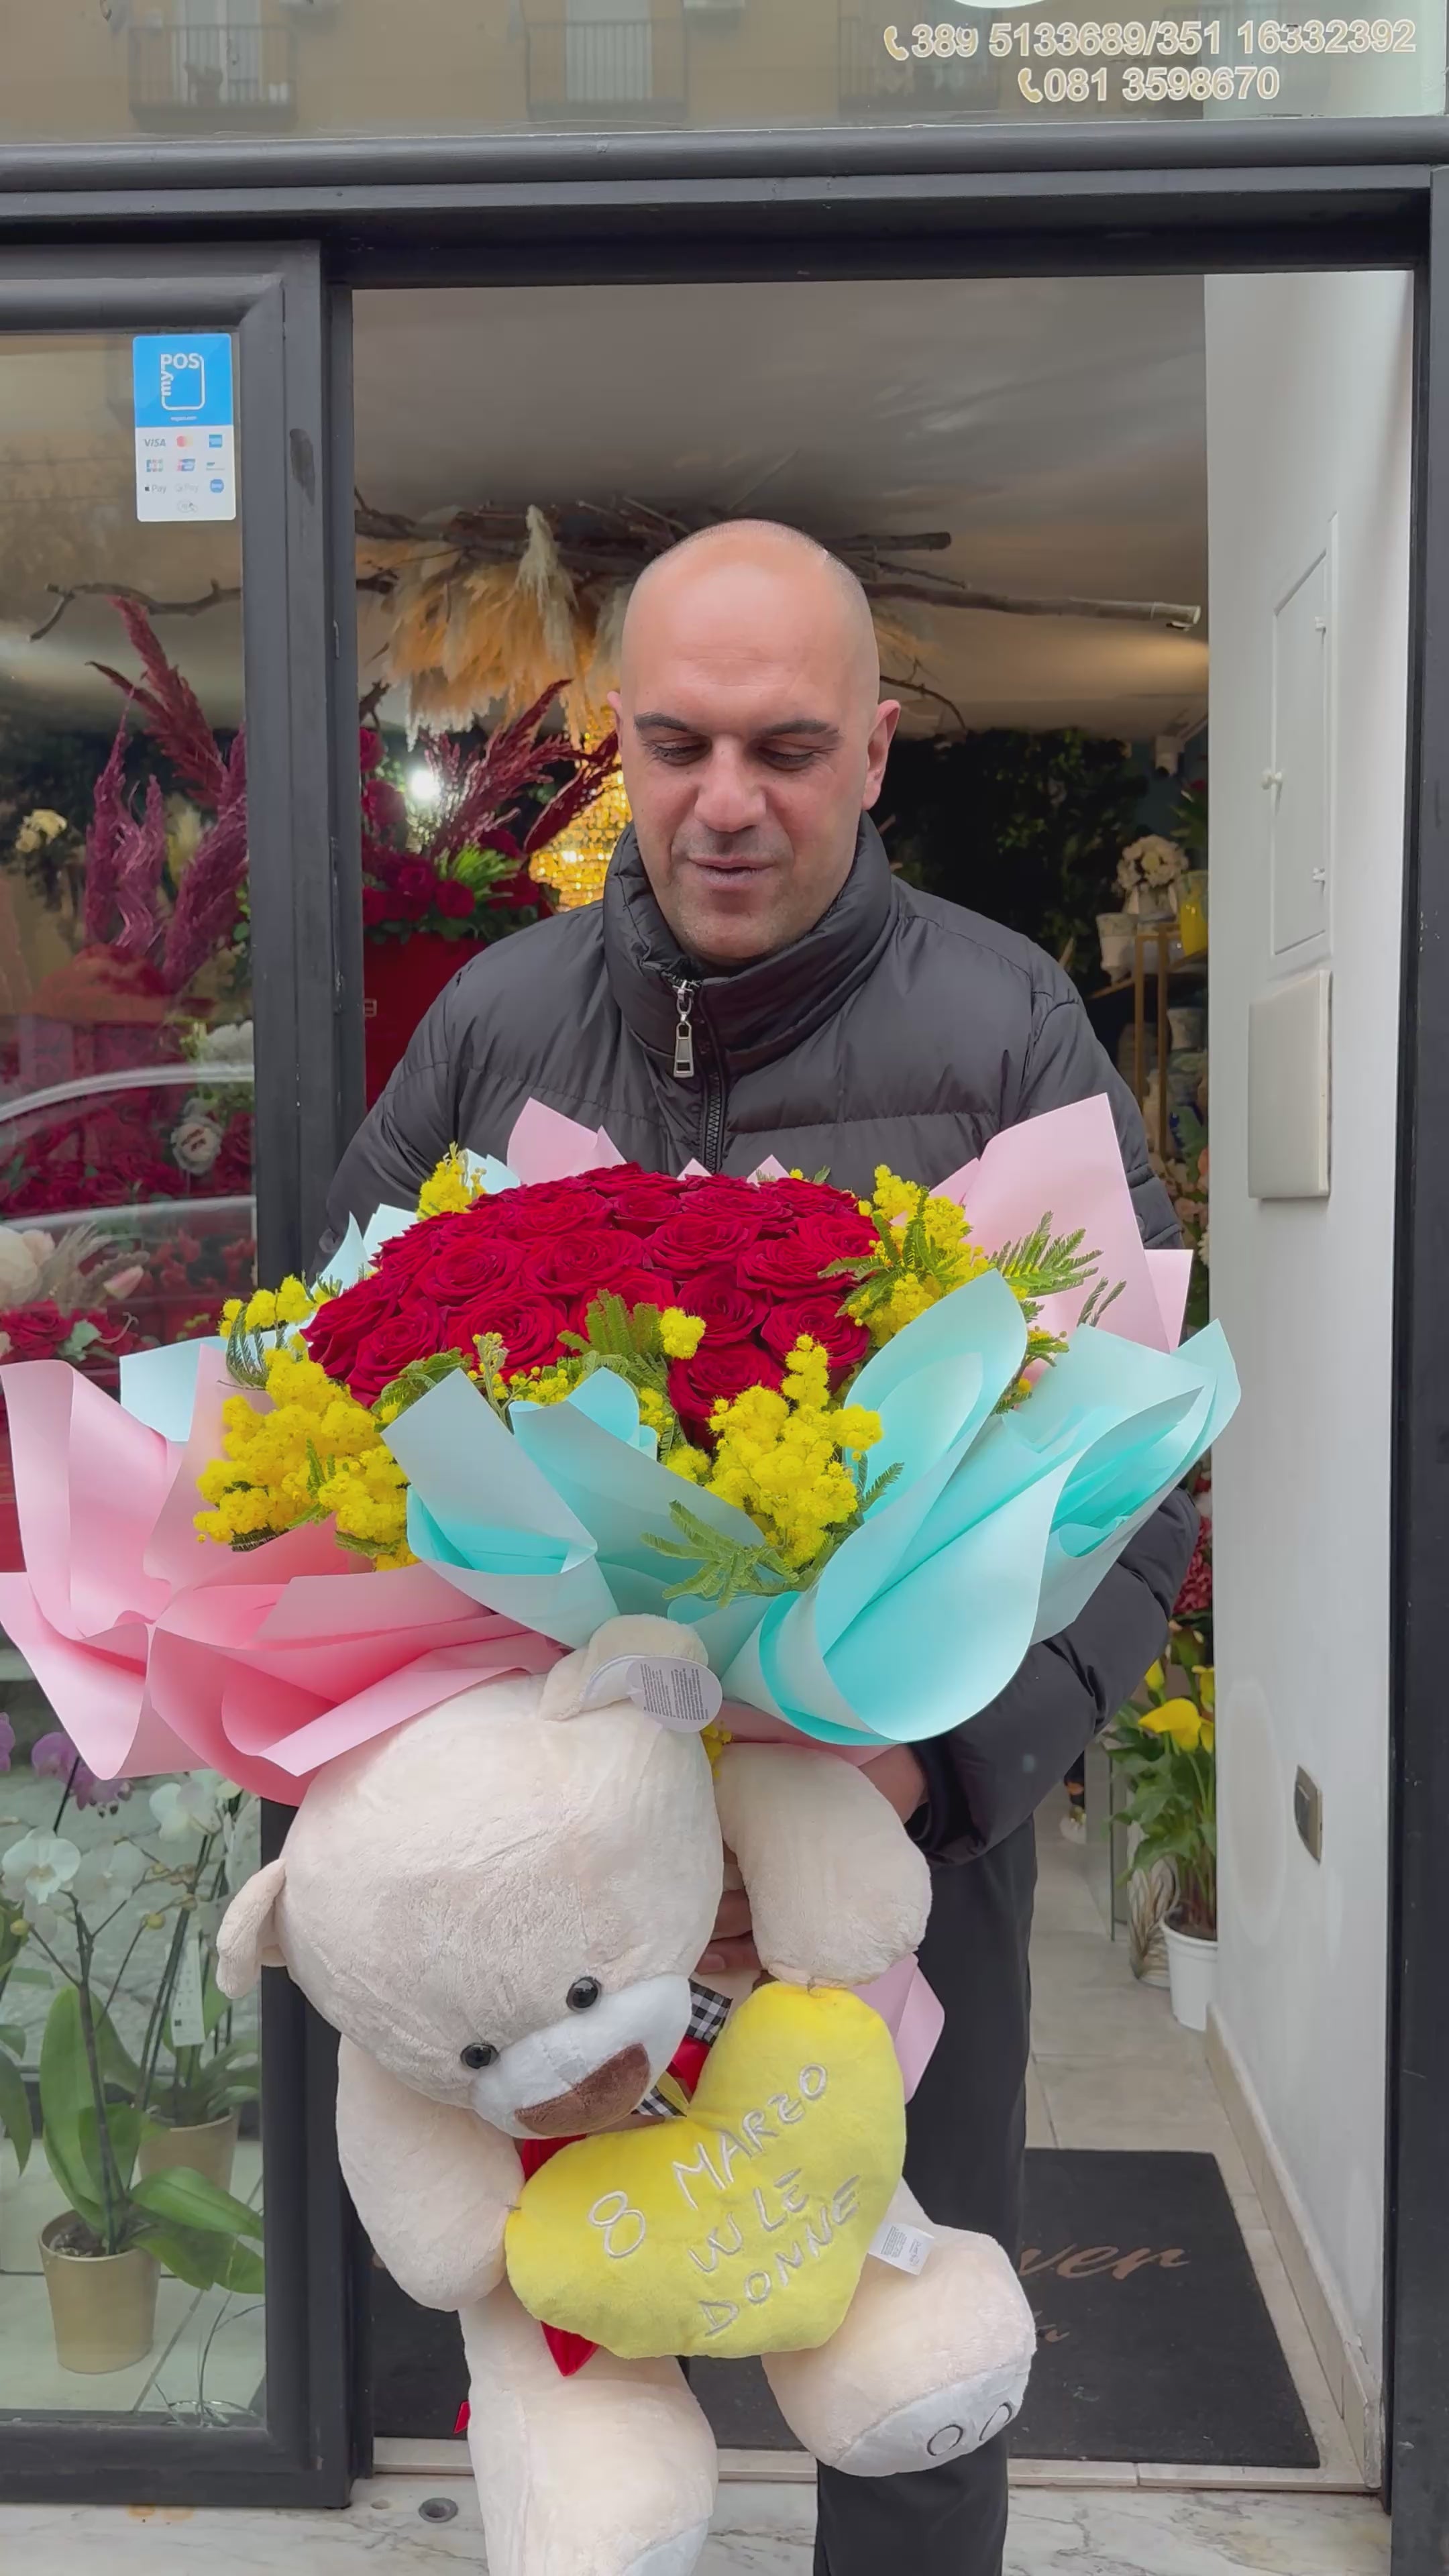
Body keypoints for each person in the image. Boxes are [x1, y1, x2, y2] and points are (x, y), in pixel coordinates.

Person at [323, 520, 1197, 2576]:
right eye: (683, 743)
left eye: (788, 748)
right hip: (550, 1901)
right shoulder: (496, 1023)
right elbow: (327, 1394)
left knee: (903, 2366)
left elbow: (1142, 1480)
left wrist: (926, 1777)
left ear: (875, 750)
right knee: (566, 2373)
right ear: (617, 737)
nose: (728, 800)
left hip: (886, 1885)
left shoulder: (1006, 1029)